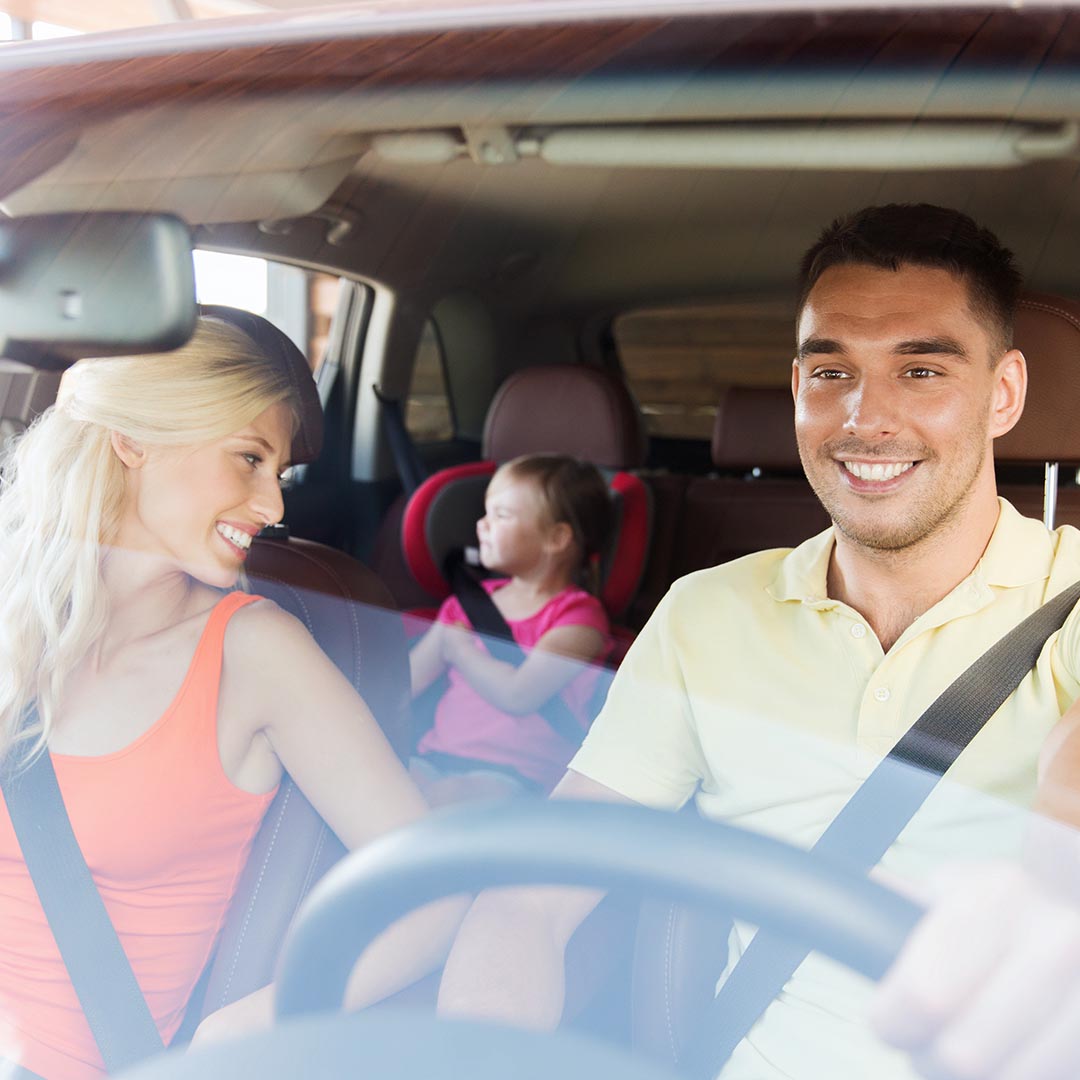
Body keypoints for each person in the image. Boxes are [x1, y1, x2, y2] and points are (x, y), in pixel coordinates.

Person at [436, 202, 1080, 1078]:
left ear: (1003, 393)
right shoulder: (706, 614)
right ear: (797, 390)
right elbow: (530, 898)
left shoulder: (1069, 603)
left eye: (922, 370)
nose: (865, 417)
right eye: (831, 372)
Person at [0, 315, 459, 1080]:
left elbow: (433, 893)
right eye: (248, 458)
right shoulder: (16, 623)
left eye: (276, 470)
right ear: (133, 438)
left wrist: (247, 1026)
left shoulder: (256, 654)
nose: (274, 506)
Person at [409, 453, 613, 803]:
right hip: (433, 758)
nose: (482, 525)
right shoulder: (464, 606)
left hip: (519, 778)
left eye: (500, 516)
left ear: (556, 538)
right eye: (486, 513)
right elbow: (405, 684)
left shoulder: (579, 621)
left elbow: (519, 695)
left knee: (442, 801)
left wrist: (460, 650)